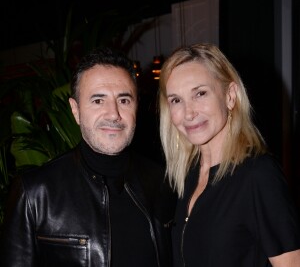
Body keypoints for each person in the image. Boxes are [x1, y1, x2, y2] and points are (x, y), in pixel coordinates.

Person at [0, 46, 176, 267]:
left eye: (124, 100)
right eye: (97, 100)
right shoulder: (35, 193)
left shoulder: (162, 182)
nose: (114, 114)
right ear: (75, 110)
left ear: (136, 107)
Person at [158, 42, 300, 267]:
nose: (189, 112)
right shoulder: (188, 176)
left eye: (200, 93)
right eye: (176, 100)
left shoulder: (257, 174)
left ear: (230, 96)